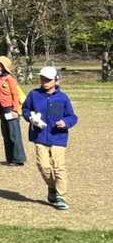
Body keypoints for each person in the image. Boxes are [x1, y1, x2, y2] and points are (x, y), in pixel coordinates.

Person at [22, 66, 78, 211]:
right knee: (43, 166)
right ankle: (52, 187)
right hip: (40, 136)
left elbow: (72, 117)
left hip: (58, 137)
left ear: (56, 80)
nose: (44, 81)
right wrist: (30, 118)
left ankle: (61, 197)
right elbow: (25, 109)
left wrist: (65, 122)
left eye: (48, 79)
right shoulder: (33, 94)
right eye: (42, 78)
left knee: (59, 167)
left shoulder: (63, 97)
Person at [0, 56, 26, 166]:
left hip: (11, 109)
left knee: (14, 134)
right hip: (2, 109)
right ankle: (10, 158)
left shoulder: (10, 79)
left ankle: (18, 159)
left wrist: (15, 110)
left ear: (3, 66)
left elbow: (15, 95)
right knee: (6, 134)